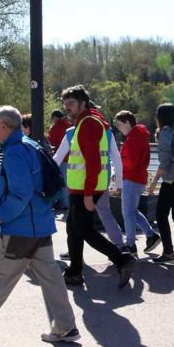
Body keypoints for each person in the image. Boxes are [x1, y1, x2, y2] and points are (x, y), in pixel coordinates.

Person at [0, 106, 79, 342]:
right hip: (40, 224)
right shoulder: (31, 145)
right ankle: (66, 326)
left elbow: (20, 192)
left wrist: (0, 216)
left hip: (19, 227)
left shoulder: (15, 152)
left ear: (3, 126)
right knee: (51, 277)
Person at [59, 85, 136, 288]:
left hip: (85, 189)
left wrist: (87, 194)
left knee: (83, 229)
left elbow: (93, 161)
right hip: (83, 187)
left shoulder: (88, 124)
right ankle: (74, 272)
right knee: (73, 229)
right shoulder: (88, 122)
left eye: (71, 104)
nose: (67, 108)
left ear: (83, 103)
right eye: (65, 104)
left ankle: (122, 260)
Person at [147, 103, 174, 265]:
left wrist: (153, 182)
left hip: (171, 180)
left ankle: (168, 252)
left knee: (161, 215)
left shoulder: (166, 132)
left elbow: (165, 161)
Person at [114, 110, 160, 254]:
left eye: (119, 125)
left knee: (127, 213)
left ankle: (131, 245)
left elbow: (131, 161)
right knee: (132, 211)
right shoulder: (138, 136)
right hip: (137, 178)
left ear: (127, 123)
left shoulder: (133, 138)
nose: (119, 128)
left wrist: (119, 172)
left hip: (131, 178)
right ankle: (151, 236)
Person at [48, 109, 73, 209]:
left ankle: (66, 204)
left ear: (55, 117)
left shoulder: (57, 126)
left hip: (63, 158)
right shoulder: (70, 125)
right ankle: (69, 203)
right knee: (71, 182)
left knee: (64, 182)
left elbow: (50, 140)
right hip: (73, 158)